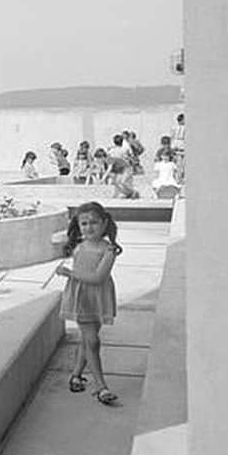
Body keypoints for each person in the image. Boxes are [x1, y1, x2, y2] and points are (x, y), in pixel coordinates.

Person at [55, 201, 122, 405]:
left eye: (93, 222)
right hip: (81, 298)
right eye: (84, 223)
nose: (88, 227)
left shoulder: (109, 250)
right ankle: (101, 387)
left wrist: (69, 273)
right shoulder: (78, 246)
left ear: (104, 223)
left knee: (87, 340)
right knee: (92, 341)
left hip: (98, 297)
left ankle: (76, 375)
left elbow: (98, 277)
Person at [107, 134, 139, 198]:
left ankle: (133, 192)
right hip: (125, 168)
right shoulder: (124, 149)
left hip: (124, 168)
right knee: (119, 183)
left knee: (121, 182)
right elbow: (130, 156)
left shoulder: (112, 151)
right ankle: (128, 193)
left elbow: (110, 165)